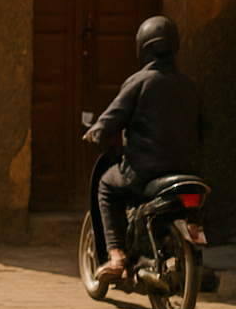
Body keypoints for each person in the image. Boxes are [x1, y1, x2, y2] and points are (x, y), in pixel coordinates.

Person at [84, 16, 200, 280]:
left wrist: (96, 133)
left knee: (106, 185)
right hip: (186, 173)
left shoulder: (139, 81)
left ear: (143, 48)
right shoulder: (189, 86)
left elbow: (111, 119)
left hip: (145, 173)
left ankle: (117, 257)